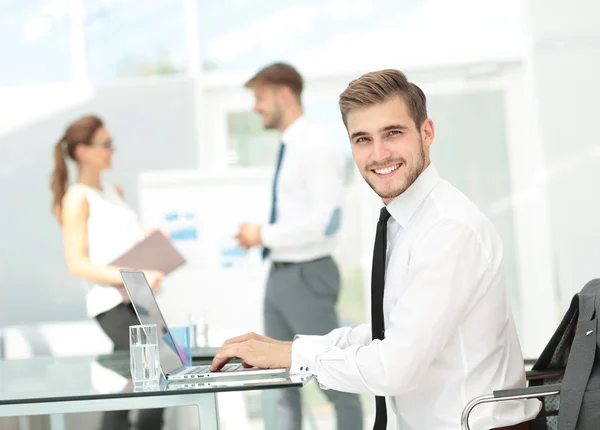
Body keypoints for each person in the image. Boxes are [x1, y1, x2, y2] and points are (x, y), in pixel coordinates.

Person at [212, 70, 542, 430]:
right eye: (362, 139)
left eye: (393, 133)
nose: (378, 153)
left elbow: (393, 367)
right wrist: (288, 349)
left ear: (426, 133)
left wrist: (294, 355)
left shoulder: (449, 229)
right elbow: (389, 332)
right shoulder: (405, 222)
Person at [234, 62, 364, 430]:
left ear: (284, 94)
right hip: (280, 276)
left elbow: (326, 223)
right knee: (277, 382)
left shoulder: (316, 146)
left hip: (306, 275)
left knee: (335, 381)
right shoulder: (291, 146)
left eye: (259, 98)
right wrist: (261, 236)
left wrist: (265, 235)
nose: (255, 107)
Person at [50, 114, 165, 430]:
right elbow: (78, 264)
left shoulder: (114, 191)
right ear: (83, 152)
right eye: (106, 144)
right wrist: (135, 276)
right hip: (113, 304)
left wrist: (153, 247)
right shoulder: (77, 199)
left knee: (145, 387)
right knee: (150, 383)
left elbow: (124, 248)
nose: (113, 150)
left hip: (140, 297)